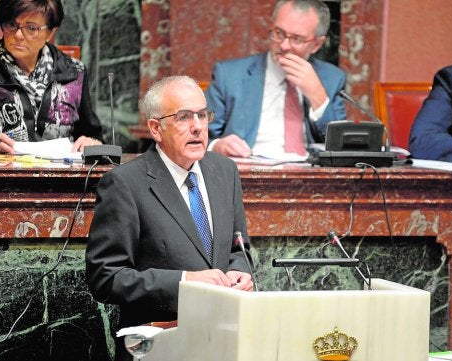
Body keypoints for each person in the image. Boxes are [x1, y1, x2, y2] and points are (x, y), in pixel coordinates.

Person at [85, 75, 254, 360]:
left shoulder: (224, 171)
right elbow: (105, 277)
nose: (198, 126)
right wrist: (186, 281)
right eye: (184, 117)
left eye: (202, 115)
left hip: (223, 340)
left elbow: (238, 248)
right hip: (158, 342)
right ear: (156, 128)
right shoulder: (125, 184)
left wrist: (242, 272)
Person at [0, 0, 103, 154]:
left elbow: (92, 134)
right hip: (0, 174)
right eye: (11, 24)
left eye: (31, 28)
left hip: (63, 174)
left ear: (50, 32)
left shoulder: (74, 71)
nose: (18, 35)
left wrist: (91, 141)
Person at [205, 0, 347, 159]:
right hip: (248, 171)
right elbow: (200, 136)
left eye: (297, 39)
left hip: (311, 174)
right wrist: (217, 146)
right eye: (279, 33)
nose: (284, 46)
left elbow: (341, 148)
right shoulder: (230, 75)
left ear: (316, 44)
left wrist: (318, 96)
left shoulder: (332, 78)